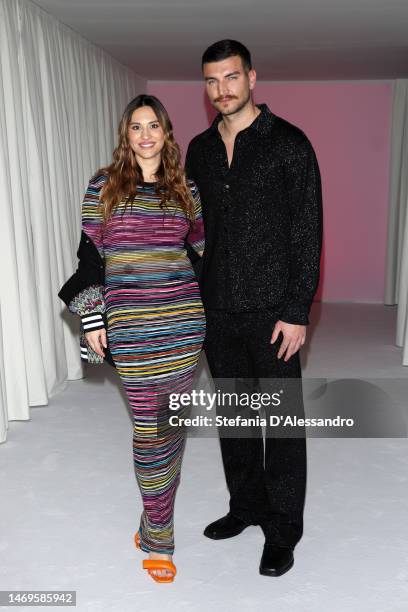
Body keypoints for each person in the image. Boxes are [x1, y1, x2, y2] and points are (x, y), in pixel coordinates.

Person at [185, 40, 323, 577]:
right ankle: (245, 506)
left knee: (282, 423)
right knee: (236, 419)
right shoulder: (197, 150)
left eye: (231, 78)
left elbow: (307, 232)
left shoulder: (289, 143)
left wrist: (296, 309)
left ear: (252, 78)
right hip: (216, 310)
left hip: (272, 313)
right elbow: (188, 231)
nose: (222, 90)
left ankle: (284, 527)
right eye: (212, 81)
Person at [59, 94, 205, 583]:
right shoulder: (104, 187)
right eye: (136, 127)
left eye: (154, 126)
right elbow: (89, 261)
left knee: (173, 431)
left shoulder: (186, 188)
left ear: (166, 133)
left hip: (184, 329)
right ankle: (161, 539)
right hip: (133, 331)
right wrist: (94, 320)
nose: (145, 135)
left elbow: (203, 256)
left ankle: (152, 520)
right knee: (150, 436)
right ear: (126, 135)